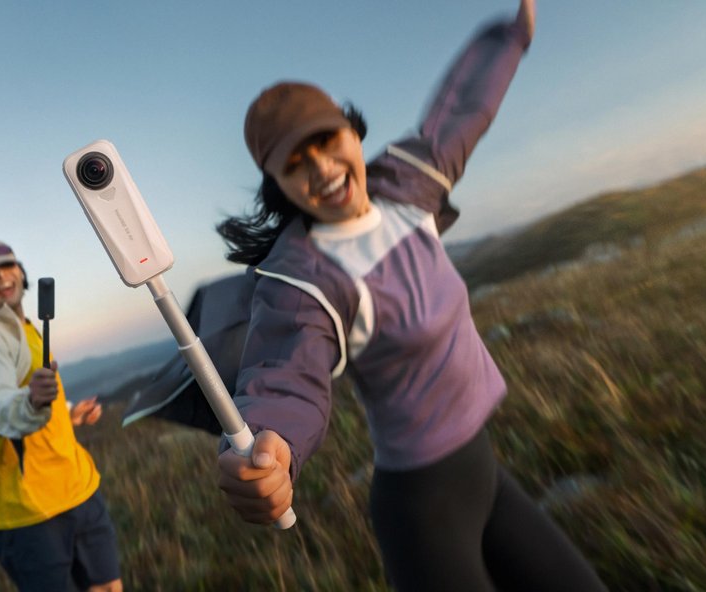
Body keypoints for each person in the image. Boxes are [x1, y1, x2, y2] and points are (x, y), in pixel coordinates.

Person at [214, 1, 607, 590]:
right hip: (423, 509)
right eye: (296, 164)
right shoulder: (305, 282)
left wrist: (511, 35)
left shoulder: (410, 186)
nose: (321, 168)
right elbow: (284, 375)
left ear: (352, 130)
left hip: (483, 470)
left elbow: (461, 110)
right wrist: (272, 444)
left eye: (325, 140)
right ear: (281, 186)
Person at [0, 240, 122, 592]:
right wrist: (32, 403)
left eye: (8, 266)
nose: (3, 276)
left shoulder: (26, 329)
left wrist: (69, 413)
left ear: (21, 272)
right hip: (31, 512)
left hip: (78, 486)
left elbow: (25, 388)